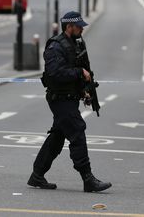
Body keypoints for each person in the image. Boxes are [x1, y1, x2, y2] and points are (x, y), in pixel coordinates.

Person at [27, 11, 112, 192]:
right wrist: (79, 73)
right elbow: (55, 74)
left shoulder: (76, 44)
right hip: (59, 99)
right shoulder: (55, 47)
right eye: (78, 26)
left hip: (69, 98)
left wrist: (84, 91)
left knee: (57, 138)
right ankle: (88, 179)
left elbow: (75, 69)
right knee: (77, 131)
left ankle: (37, 175)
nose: (81, 29)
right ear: (68, 26)